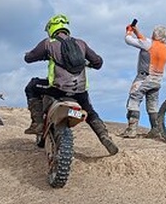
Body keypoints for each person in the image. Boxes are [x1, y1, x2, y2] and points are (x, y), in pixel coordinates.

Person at [23, 14, 118, 155]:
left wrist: (41, 55)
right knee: (90, 112)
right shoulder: (81, 43)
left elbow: (29, 58)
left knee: (31, 87)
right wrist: (87, 63)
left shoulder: (48, 43)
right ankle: (104, 137)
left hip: (57, 89)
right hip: (79, 91)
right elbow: (98, 63)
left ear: (51, 28)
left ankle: (37, 123)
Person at [122, 21, 166, 139]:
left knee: (134, 100)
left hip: (144, 77)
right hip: (157, 80)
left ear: (155, 34)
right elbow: (144, 41)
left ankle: (131, 129)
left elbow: (129, 40)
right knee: (152, 105)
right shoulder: (164, 48)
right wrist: (136, 31)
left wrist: (129, 32)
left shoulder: (149, 44)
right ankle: (155, 129)